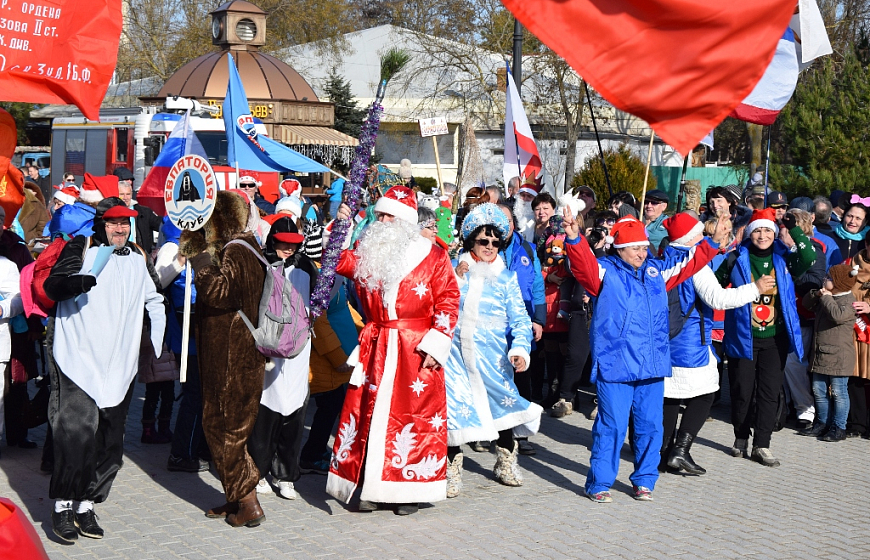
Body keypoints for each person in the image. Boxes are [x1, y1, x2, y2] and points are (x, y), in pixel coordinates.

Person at [562, 212, 730, 502]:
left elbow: (689, 265)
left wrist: (713, 243)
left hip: (652, 365)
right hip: (616, 365)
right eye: (635, 248)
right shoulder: (604, 272)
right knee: (611, 426)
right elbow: (582, 266)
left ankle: (644, 480)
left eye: (643, 247)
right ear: (619, 249)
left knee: (651, 426)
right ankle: (600, 483)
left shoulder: (656, 272)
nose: (642, 253)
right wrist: (575, 238)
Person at [327, 186, 460, 516]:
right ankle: (371, 487)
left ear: (404, 220)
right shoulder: (370, 250)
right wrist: (340, 225)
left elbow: (449, 300)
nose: (381, 220)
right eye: (380, 214)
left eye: (388, 215)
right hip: (378, 343)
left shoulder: (434, 256)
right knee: (371, 416)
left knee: (411, 417)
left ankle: (406, 491)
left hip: (415, 348)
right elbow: (336, 261)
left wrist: (436, 344)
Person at [44, 197, 166, 543]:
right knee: (76, 435)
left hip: (120, 366)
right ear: (101, 224)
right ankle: (63, 507)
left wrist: (157, 341)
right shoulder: (80, 249)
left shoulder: (138, 256)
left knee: (109, 442)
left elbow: (154, 298)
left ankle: (86, 505)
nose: (120, 229)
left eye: (125, 223)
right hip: (80, 360)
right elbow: (53, 286)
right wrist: (76, 283)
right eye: (113, 223)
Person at [179, 191, 267, 527]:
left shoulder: (236, 250)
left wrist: (200, 258)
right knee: (231, 425)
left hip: (232, 355)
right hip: (237, 352)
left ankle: (247, 501)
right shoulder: (249, 247)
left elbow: (218, 292)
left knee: (223, 425)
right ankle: (236, 497)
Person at [443, 203, 540, 497]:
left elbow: (521, 319)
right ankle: (451, 469)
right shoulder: (453, 270)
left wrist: (521, 350)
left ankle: (506, 460)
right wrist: (456, 278)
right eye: (484, 241)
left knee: (503, 408)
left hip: (494, 358)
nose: (490, 247)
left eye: (496, 242)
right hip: (455, 357)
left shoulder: (507, 279)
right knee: (455, 410)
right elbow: (438, 303)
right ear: (471, 240)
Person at [660, 213, 763, 475]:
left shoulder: (661, 259)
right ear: (690, 237)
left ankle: (662, 454)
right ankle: (681, 451)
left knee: (669, 397)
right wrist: (755, 288)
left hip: (664, 340)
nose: (703, 237)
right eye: (699, 233)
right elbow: (718, 299)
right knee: (706, 394)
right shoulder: (696, 264)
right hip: (691, 342)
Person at [715, 208, 816, 467]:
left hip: (775, 338)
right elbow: (714, 288)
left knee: (769, 393)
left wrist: (792, 228)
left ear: (775, 233)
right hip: (742, 337)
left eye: (768, 230)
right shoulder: (735, 258)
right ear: (750, 232)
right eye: (757, 230)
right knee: (742, 391)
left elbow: (808, 255)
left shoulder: (784, 259)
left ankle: (762, 444)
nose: (762, 235)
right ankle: (740, 436)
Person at [248, 217, 317, 501]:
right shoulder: (261, 266)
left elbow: (319, 300)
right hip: (269, 349)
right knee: (267, 414)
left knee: (295, 413)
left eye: (293, 246)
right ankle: (259, 471)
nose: (288, 250)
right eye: (282, 245)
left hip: (299, 349)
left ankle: (286, 475)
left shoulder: (305, 267)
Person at [154, 217, 209, 473]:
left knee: (201, 395)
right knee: (194, 395)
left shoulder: (205, 242)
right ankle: (181, 453)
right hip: (186, 333)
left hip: (203, 329)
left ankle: (196, 447)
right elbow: (158, 283)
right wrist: (181, 260)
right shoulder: (170, 246)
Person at [800, 263, 859, 442]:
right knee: (818, 390)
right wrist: (817, 294)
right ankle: (822, 423)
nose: (825, 280)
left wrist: (826, 298)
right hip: (821, 353)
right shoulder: (826, 295)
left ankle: (839, 427)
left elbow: (837, 316)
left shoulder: (849, 301)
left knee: (839, 392)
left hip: (839, 356)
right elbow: (806, 304)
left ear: (839, 282)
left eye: (829, 278)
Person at [781, 209, 826, 429]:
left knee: (794, 362)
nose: (782, 230)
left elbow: (815, 282)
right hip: (781, 315)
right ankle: (786, 406)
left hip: (802, 315)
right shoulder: (783, 249)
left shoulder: (813, 248)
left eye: (786, 226)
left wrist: (790, 273)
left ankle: (805, 409)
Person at [116, 169, 161, 254]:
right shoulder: (110, 213)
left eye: (128, 194)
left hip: (141, 256)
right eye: (122, 194)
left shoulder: (144, 212)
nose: (125, 198)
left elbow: (161, 225)